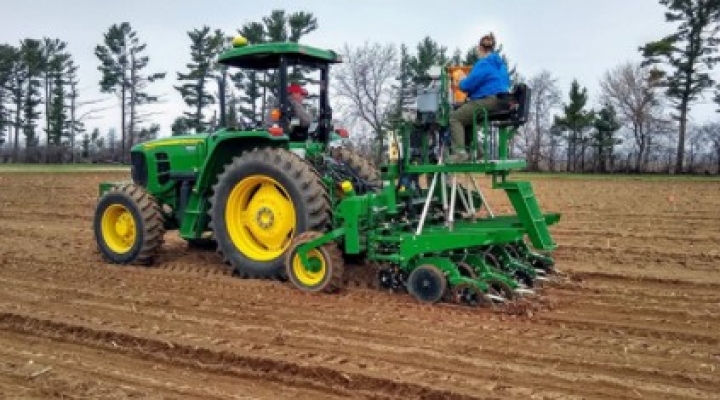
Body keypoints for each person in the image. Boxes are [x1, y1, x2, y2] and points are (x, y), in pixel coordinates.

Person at [448, 33, 510, 162]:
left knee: (455, 118)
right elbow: (495, 84)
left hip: (489, 101)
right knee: (468, 118)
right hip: (502, 101)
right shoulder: (500, 65)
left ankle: (459, 153)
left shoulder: (484, 64)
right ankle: (479, 153)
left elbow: (467, 85)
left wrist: (460, 79)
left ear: (480, 48)